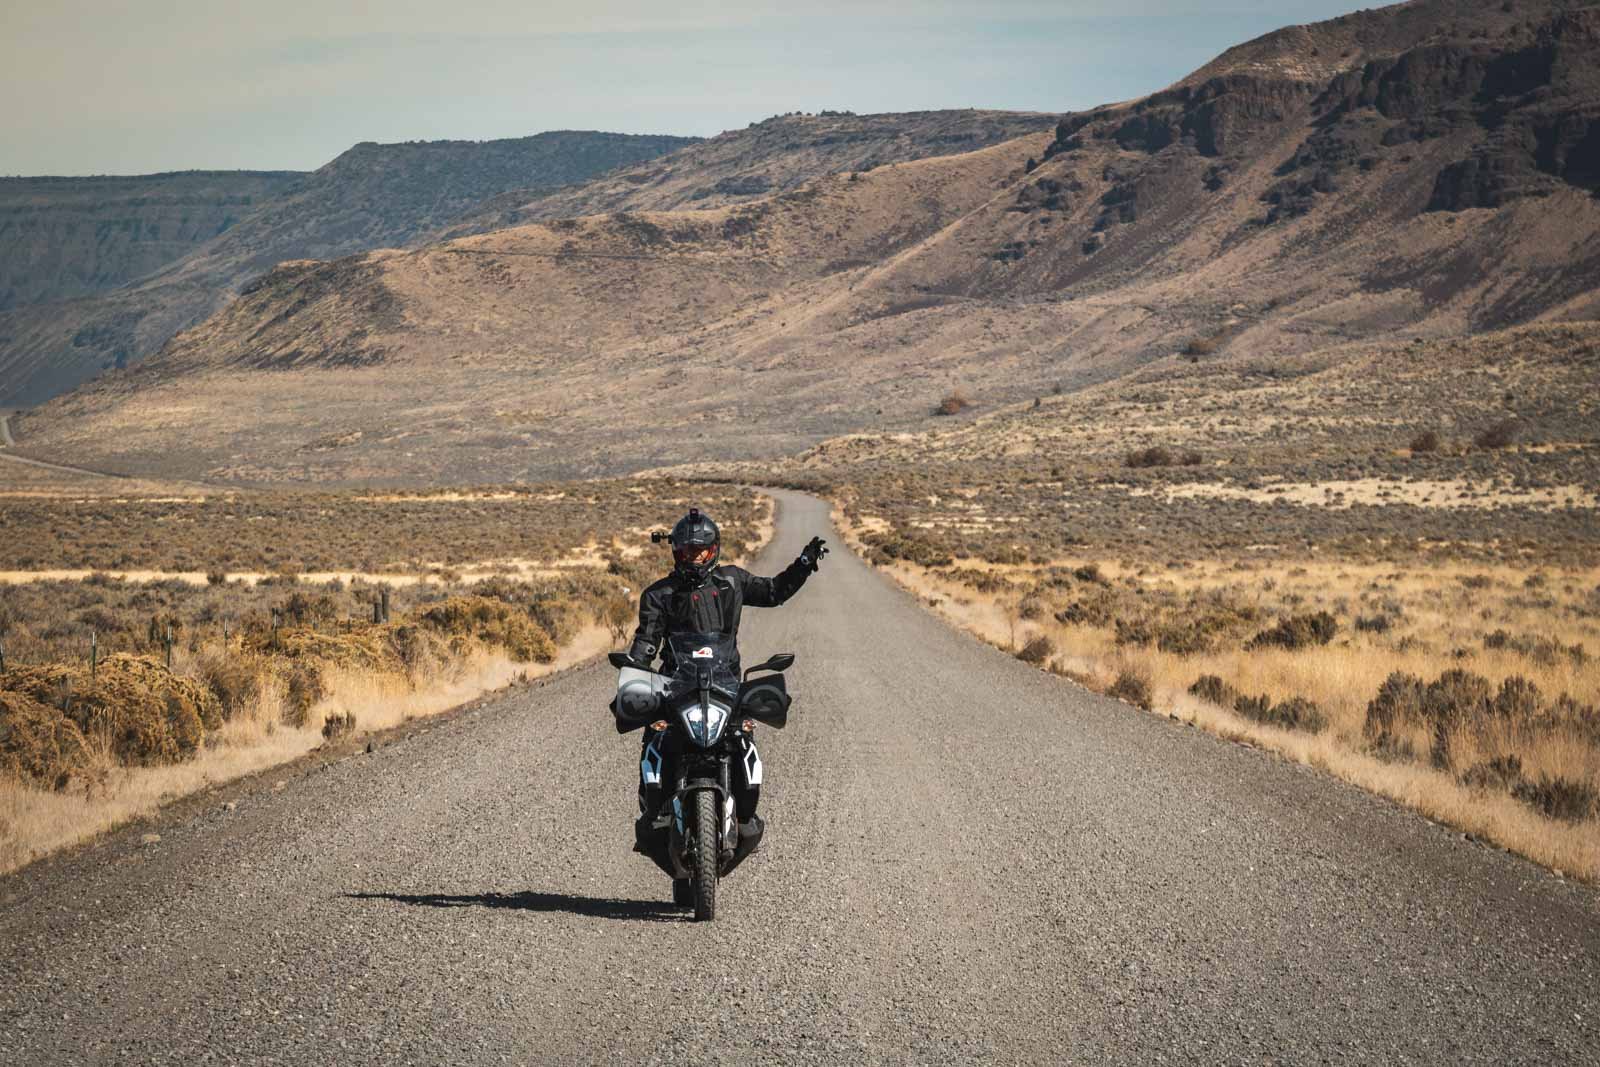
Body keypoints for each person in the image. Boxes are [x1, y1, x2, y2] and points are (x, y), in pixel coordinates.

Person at [627, 507, 826, 858]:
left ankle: (744, 813)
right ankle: (653, 812)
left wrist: (804, 564)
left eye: (699, 550)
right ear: (676, 551)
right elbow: (647, 640)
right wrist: (636, 668)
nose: (693, 557)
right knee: (654, 740)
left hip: (725, 686)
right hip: (677, 687)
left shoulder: (732, 581)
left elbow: (773, 591)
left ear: (713, 549)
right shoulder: (659, 594)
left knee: (743, 741)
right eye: (687, 551)